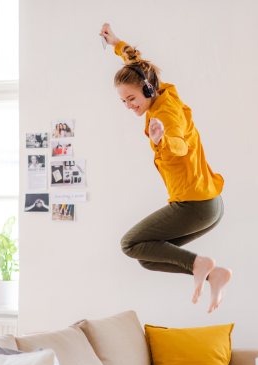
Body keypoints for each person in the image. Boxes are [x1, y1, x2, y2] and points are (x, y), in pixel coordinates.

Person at [100, 23, 230, 314]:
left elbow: (180, 145)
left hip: (195, 205)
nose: (128, 106)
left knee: (130, 243)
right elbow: (136, 65)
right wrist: (117, 43)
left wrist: (163, 141)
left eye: (131, 99)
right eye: (123, 100)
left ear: (147, 90)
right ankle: (213, 274)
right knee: (146, 254)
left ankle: (201, 264)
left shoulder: (167, 113)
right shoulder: (158, 91)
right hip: (209, 203)